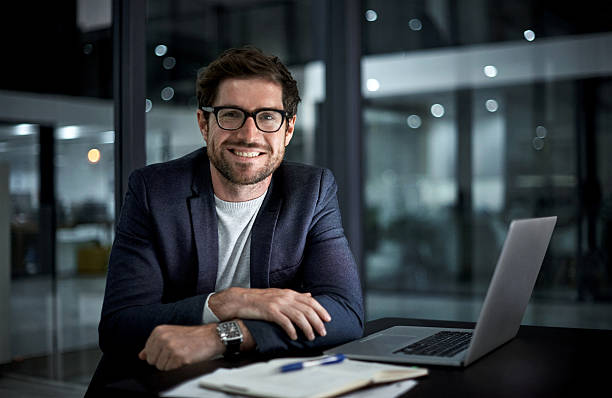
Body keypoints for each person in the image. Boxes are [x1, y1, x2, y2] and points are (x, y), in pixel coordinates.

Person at [96, 46, 364, 373]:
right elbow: (119, 326)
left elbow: (345, 314)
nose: (249, 135)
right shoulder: (154, 192)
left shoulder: (311, 191)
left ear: (288, 129)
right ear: (204, 123)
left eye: (267, 117)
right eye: (231, 114)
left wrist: (225, 334)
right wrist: (230, 302)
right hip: (166, 379)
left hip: (263, 378)